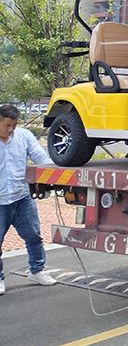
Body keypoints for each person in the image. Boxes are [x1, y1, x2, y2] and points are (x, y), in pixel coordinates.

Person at [0, 104, 58, 295]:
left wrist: (56, 175)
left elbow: (42, 158)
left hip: (22, 197)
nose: (11, 130)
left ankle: (37, 270)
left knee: (34, 236)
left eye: (14, 125)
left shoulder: (24, 136)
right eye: (7, 125)